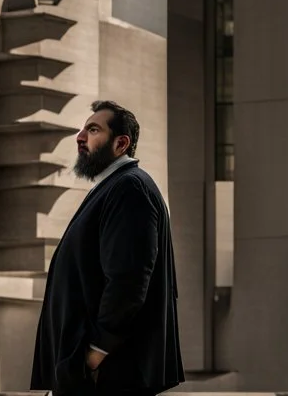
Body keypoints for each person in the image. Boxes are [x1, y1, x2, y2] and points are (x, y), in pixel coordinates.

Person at [30, 100, 184, 396]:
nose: (80, 137)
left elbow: (129, 279)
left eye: (93, 129)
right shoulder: (114, 187)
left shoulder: (129, 188)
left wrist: (92, 357)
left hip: (109, 375)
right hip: (97, 375)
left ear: (121, 143)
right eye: (82, 129)